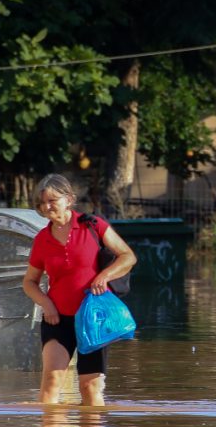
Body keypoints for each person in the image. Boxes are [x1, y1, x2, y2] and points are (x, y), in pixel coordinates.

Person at [23, 174, 137, 406]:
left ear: (69, 199)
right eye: (41, 203)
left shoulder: (93, 226)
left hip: (92, 320)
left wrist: (104, 276)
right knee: (51, 382)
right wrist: (46, 304)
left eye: (52, 200)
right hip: (57, 320)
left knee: (89, 388)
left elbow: (128, 257)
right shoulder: (42, 239)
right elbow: (29, 282)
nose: (46, 207)